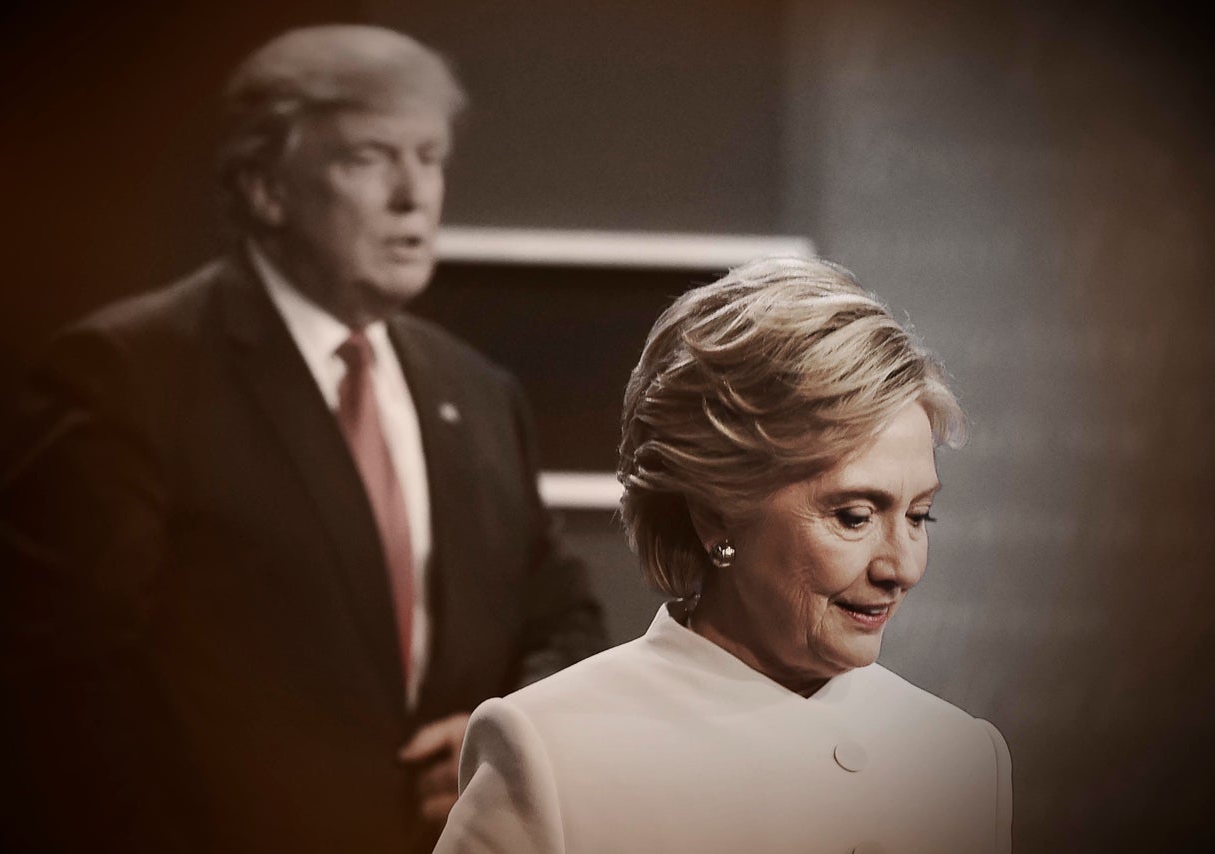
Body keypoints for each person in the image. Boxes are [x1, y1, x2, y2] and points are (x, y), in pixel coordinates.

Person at [0, 24, 604, 854]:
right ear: (267, 189)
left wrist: (500, 743)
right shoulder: (126, 374)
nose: (414, 196)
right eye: (369, 158)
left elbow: (563, 619)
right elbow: (60, 697)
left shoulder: (477, 392)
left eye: (430, 156)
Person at [434, 257, 1012, 853]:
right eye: (855, 517)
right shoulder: (547, 753)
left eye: (919, 517)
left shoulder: (963, 761)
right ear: (714, 515)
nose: (903, 567)